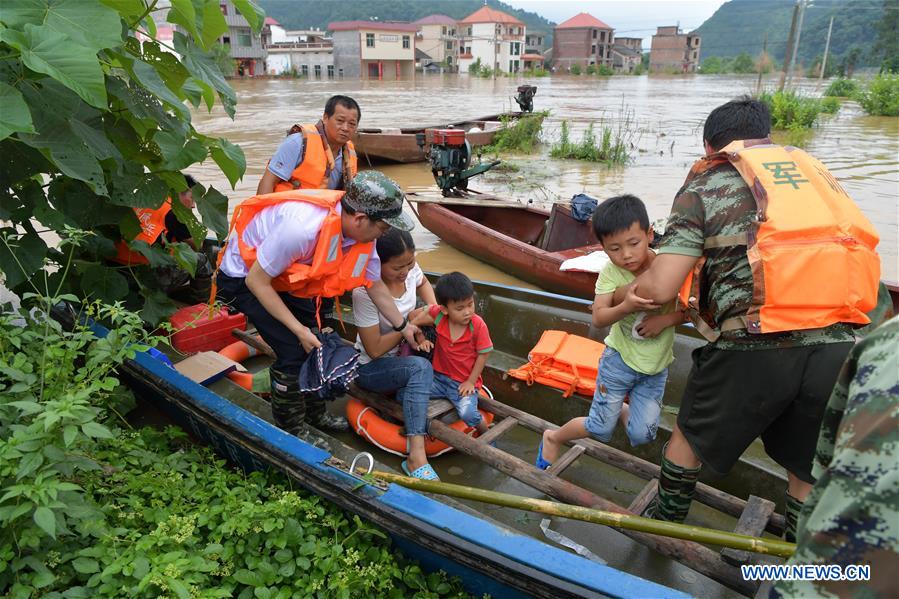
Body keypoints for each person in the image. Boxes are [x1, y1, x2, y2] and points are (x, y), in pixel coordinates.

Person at [607, 97, 880, 540]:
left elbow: (659, 288)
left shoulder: (709, 181)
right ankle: (800, 555)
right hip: (840, 343)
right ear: (766, 136)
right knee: (804, 462)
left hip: (754, 340)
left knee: (689, 433)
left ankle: (662, 527)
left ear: (709, 145)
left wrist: (620, 292)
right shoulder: (815, 176)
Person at [215, 171, 419, 434]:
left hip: (288, 278)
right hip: (245, 277)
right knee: (292, 350)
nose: (385, 234)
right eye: (384, 227)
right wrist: (298, 330)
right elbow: (257, 282)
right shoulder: (300, 230)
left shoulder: (362, 237)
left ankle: (315, 414)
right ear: (360, 218)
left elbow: (375, 285)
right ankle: (292, 430)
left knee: (316, 344)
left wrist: (403, 326)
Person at [537, 195, 685, 470]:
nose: (626, 255)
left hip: (656, 368)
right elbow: (599, 317)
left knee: (642, 435)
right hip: (618, 362)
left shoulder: (668, 266)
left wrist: (665, 321)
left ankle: (622, 409)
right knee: (600, 429)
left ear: (650, 234)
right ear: (603, 249)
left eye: (634, 243)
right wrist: (626, 305)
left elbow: (692, 309)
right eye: (615, 249)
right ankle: (553, 437)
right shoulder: (611, 273)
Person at [771, 315, 897, 598]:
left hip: (831, 579)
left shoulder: (889, 340)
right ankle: (793, 549)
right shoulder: (885, 339)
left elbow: (825, 459)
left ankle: (794, 551)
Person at [352, 229, 441, 480]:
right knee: (420, 369)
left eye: (409, 263)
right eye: (397, 268)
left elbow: (422, 282)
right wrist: (408, 325)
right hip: (373, 367)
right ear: (378, 263)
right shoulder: (364, 292)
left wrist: (433, 313)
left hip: (406, 352)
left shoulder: (411, 269)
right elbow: (375, 348)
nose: (405, 271)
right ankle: (416, 457)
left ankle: (407, 396)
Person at [424, 272, 493, 438]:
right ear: (445, 310)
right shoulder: (439, 315)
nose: (468, 312)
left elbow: (483, 355)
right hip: (438, 379)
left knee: (468, 414)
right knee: (404, 393)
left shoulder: (477, 325)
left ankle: (486, 434)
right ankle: (422, 426)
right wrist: (418, 336)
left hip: (463, 383)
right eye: (460, 308)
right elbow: (418, 317)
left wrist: (470, 381)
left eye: (470, 304)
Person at [256, 95, 360, 194]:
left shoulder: (350, 152)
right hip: (287, 205)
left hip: (322, 205)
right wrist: (262, 211)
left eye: (351, 124)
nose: (345, 128)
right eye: (340, 121)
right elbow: (268, 181)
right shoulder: (298, 142)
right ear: (325, 118)